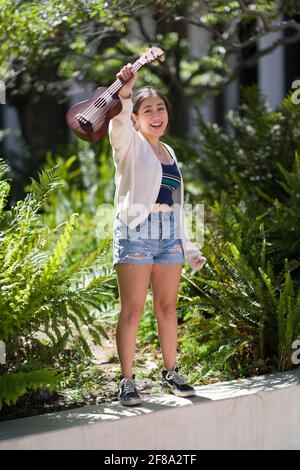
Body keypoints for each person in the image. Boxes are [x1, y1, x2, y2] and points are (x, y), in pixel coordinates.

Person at [108, 63, 206, 406]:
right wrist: (125, 93)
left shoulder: (170, 153)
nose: (155, 114)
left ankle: (171, 371)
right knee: (132, 309)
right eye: (147, 110)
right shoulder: (129, 143)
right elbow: (116, 124)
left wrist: (189, 246)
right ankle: (127, 380)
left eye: (160, 108)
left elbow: (178, 205)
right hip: (136, 232)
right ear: (136, 118)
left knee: (167, 307)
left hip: (168, 235)